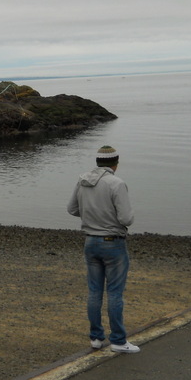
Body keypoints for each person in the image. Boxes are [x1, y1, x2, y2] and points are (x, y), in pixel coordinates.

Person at [67, 145, 139, 353]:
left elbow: (72, 209)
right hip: (113, 242)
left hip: (90, 241)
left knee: (94, 291)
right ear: (115, 163)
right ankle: (118, 340)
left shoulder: (82, 181)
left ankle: (96, 338)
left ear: (98, 162)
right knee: (115, 293)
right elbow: (126, 218)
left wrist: (91, 216)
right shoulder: (117, 183)